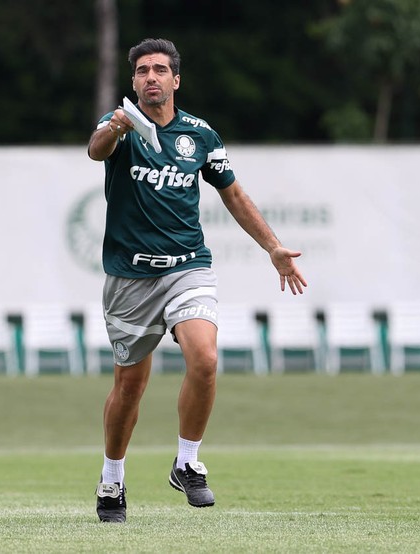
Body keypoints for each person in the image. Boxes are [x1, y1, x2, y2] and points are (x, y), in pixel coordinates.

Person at [86, 38, 307, 523]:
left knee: (204, 358)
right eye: (143, 70)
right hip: (129, 277)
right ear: (134, 81)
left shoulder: (200, 135)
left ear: (176, 80)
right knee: (129, 387)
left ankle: (187, 461)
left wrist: (273, 247)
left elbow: (234, 194)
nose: (151, 77)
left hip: (189, 267)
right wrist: (114, 128)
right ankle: (112, 478)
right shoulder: (119, 124)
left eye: (160, 70)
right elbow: (95, 151)